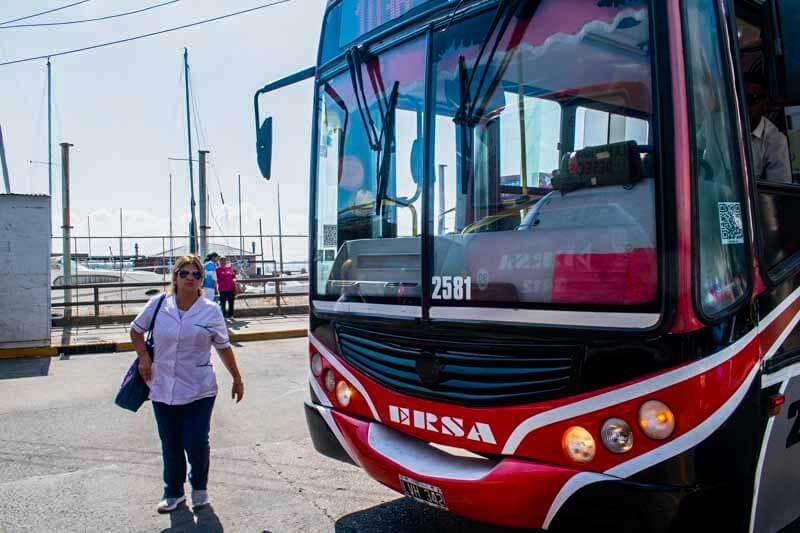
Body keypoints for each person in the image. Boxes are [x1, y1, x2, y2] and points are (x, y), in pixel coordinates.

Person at [129, 255, 244, 513]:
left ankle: (199, 487)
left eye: (196, 274)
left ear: (201, 280)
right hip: (161, 386)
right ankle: (173, 491)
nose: (190, 278)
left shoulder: (210, 311)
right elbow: (135, 330)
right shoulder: (159, 305)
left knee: (195, 441)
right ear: (175, 277)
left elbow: (223, 347)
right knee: (170, 442)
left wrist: (237, 377)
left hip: (199, 389)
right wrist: (144, 357)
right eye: (184, 273)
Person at [744, 71, 792, 183]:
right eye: (738, 99)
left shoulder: (776, 142)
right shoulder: (716, 124)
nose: (743, 106)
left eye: (750, 100)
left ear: (764, 105)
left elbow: (778, 194)